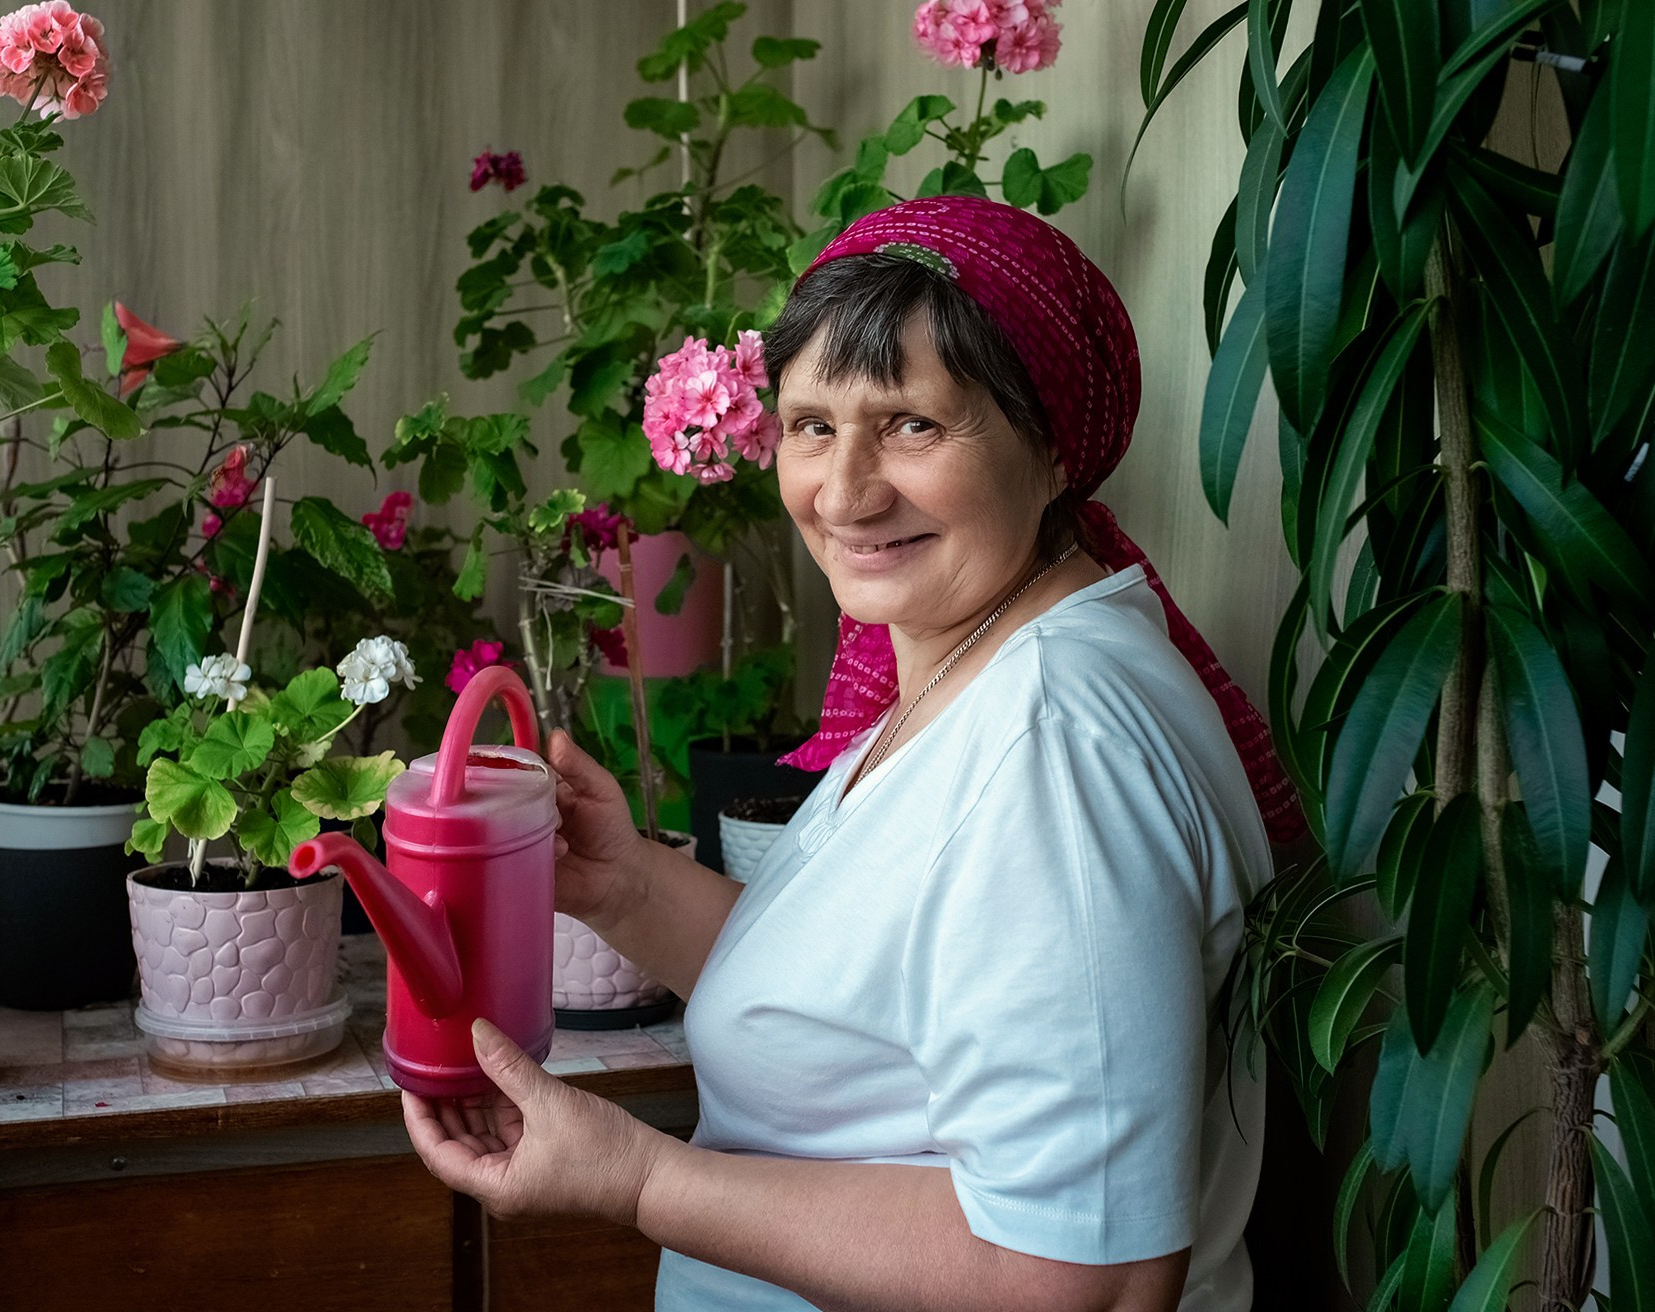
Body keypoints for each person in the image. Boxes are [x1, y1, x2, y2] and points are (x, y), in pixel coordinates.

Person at [399, 196, 1301, 1312]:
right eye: (813, 425)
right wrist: (625, 885)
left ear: (1054, 440)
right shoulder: (978, 660)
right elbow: (869, 1011)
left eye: (914, 424)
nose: (845, 490)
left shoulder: (1054, 751)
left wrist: (636, 1177)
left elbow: (1087, 1277)